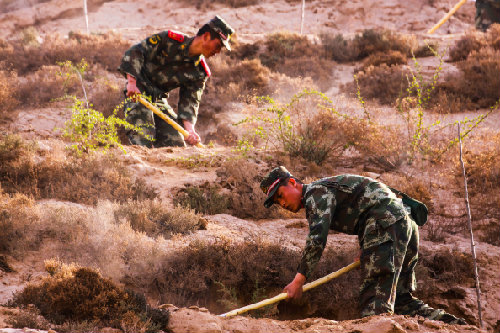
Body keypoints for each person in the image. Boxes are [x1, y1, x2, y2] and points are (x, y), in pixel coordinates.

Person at [260, 166, 467, 325]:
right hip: (404, 224)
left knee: (375, 304)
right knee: (403, 301)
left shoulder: (315, 193)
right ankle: (457, 326)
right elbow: (366, 204)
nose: (283, 203)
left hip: (387, 224)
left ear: (293, 183)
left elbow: (317, 238)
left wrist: (299, 280)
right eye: (277, 202)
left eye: (280, 195)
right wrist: (367, 245)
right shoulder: (327, 188)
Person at [119, 15, 234, 147]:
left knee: (176, 143)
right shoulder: (169, 39)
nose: (218, 51)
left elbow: (190, 102)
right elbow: (135, 52)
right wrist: (132, 83)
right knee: (144, 137)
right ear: (206, 36)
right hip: (138, 93)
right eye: (218, 45)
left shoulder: (200, 72)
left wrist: (190, 130)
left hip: (158, 99)